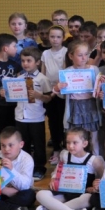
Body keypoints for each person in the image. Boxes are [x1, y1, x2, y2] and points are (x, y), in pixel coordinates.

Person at [35, 128, 105, 210]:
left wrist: (95, 187)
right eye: (68, 142)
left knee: (88, 198)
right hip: (64, 193)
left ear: (84, 143)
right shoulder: (64, 155)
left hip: (81, 195)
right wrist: (54, 178)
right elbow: (58, 169)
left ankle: (49, 209)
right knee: (40, 194)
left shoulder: (94, 161)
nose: (71, 146)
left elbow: (102, 180)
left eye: (75, 143)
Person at [53, 41, 104, 159]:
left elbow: (99, 89)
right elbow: (61, 95)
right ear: (71, 56)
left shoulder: (94, 69)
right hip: (74, 106)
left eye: (86, 54)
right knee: (76, 135)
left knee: (94, 136)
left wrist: (101, 86)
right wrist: (57, 88)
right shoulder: (66, 72)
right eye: (80, 55)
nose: (84, 58)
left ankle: (96, 159)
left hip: (91, 105)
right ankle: (75, 159)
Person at [14, 47, 53, 180]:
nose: (25, 63)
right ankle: (24, 167)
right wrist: (5, 93)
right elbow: (13, 96)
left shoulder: (42, 79)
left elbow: (49, 98)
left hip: (36, 117)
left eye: (28, 60)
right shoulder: (19, 78)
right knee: (23, 143)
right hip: (20, 116)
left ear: (37, 62)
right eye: (23, 61)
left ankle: (39, 168)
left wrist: (39, 95)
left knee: (38, 144)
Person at [41, 25, 68, 165]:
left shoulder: (66, 51)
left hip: (63, 91)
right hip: (49, 91)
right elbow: (43, 73)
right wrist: (46, 90)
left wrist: (59, 86)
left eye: (58, 37)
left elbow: (66, 71)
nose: (55, 39)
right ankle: (56, 149)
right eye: (52, 36)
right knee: (53, 121)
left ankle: (67, 148)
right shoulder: (45, 53)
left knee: (64, 121)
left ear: (63, 38)